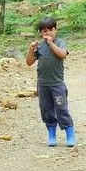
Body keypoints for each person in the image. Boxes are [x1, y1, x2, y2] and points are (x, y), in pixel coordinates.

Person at [26, 17, 75, 147]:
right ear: (40, 33)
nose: (48, 33)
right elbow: (29, 62)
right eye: (44, 31)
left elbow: (62, 55)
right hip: (43, 84)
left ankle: (70, 134)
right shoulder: (40, 46)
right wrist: (31, 49)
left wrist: (51, 43)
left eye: (50, 30)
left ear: (55, 30)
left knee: (61, 109)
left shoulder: (60, 43)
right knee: (46, 110)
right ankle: (51, 135)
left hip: (57, 84)